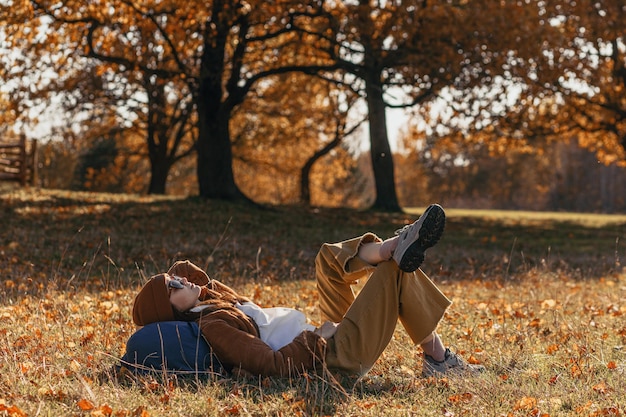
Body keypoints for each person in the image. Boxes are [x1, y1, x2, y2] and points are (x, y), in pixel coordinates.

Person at [132, 204, 484, 378]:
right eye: (174, 287)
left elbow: (191, 274)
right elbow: (274, 365)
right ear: (173, 309)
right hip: (330, 358)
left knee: (327, 257)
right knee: (394, 272)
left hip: (325, 337)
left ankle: (393, 244)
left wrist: (181, 284)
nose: (182, 281)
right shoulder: (214, 325)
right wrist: (319, 338)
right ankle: (439, 359)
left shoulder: (211, 303)